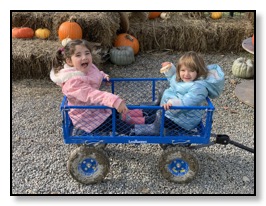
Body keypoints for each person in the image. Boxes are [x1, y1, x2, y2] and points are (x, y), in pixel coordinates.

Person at [50, 39, 145, 136]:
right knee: (116, 123)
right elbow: (92, 94)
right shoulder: (73, 83)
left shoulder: (87, 68)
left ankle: (147, 117)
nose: (84, 57)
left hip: (95, 110)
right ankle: (143, 129)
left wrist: (103, 76)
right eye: (78, 55)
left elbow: (95, 75)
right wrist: (114, 100)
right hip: (87, 118)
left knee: (118, 113)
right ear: (69, 61)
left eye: (87, 53)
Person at [135, 51, 225, 135]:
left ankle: (131, 127)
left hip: (183, 119)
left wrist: (172, 103)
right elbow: (174, 80)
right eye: (183, 70)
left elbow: (186, 104)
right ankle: (134, 115)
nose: (186, 74)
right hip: (174, 113)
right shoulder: (186, 80)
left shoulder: (198, 88)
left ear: (198, 71)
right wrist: (170, 69)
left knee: (156, 117)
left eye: (191, 71)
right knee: (155, 113)